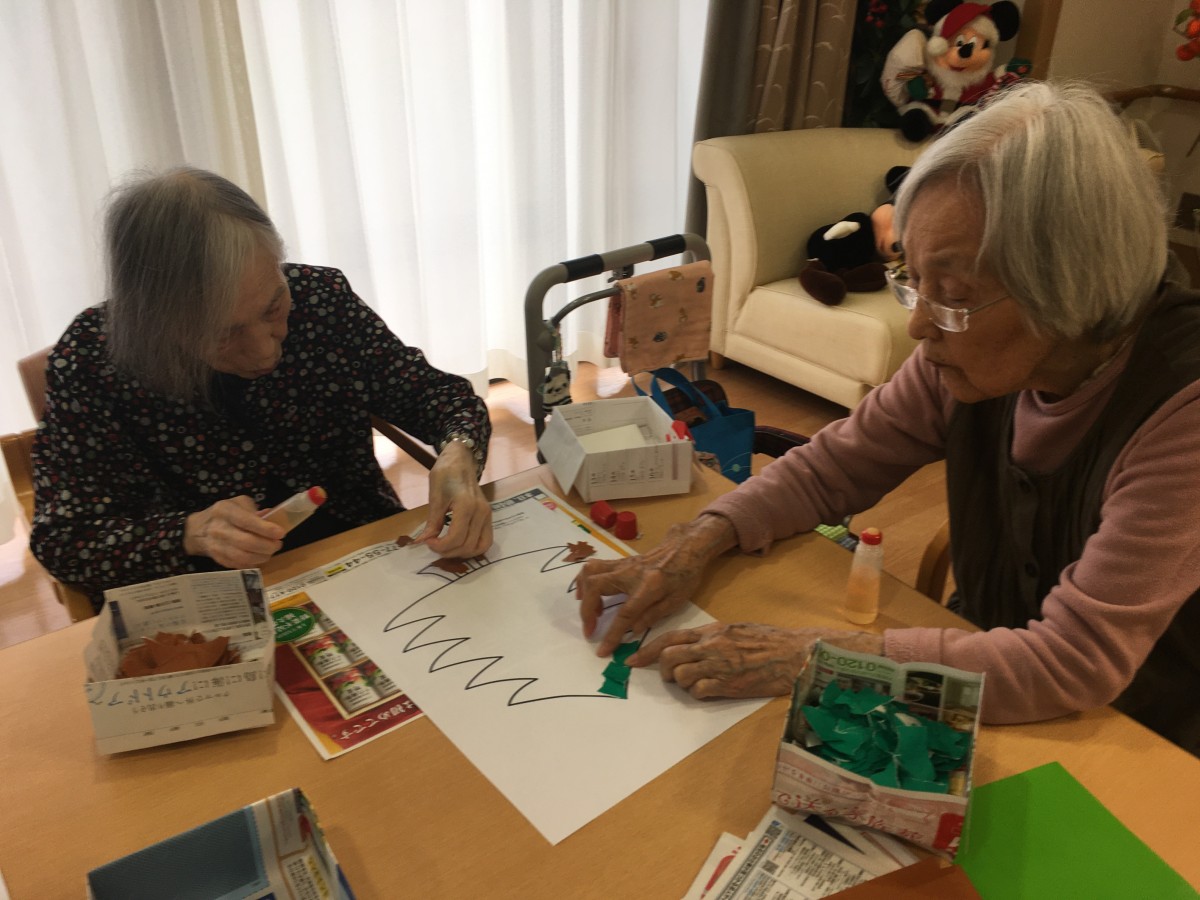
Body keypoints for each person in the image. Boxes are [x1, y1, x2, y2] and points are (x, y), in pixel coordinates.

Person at [577, 81, 1200, 756]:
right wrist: (699, 538)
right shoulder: (961, 357)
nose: (919, 325)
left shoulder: (1183, 410)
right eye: (914, 279)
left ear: (1069, 288)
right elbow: (830, 468)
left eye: (951, 294)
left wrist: (814, 655)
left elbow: (1074, 661)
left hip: (1138, 739)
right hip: (984, 676)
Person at [31, 166, 493, 608]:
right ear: (155, 322)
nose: (264, 351)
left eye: (273, 308)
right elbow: (65, 539)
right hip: (209, 598)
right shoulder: (93, 359)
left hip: (364, 554)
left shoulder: (320, 299)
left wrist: (459, 452)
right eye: (222, 333)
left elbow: (441, 399)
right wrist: (190, 533)